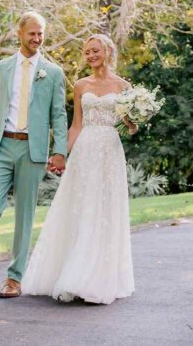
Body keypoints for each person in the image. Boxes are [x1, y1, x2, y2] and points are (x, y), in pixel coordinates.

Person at [20, 33, 136, 304]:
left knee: (105, 210)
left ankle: (98, 278)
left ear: (107, 51)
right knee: (82, 208)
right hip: (85, 151)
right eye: (87, 52)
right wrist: (62, 154)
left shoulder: (123, 86)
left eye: (95, 50)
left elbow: (130, 128)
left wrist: (133, 121)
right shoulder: (80, 85)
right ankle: (73, 274)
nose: (91, 55)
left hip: (110, 150)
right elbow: (76, 125)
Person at [0, 11, 68, 299]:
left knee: (24, 215)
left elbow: (58, 113)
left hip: (32, 150)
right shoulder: (2, 68)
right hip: (2, 146)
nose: (37, 38)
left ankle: (15, 278)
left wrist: (59, 151)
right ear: (19, 34)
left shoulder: (53, 72)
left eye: (41, 33)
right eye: (32, 33)